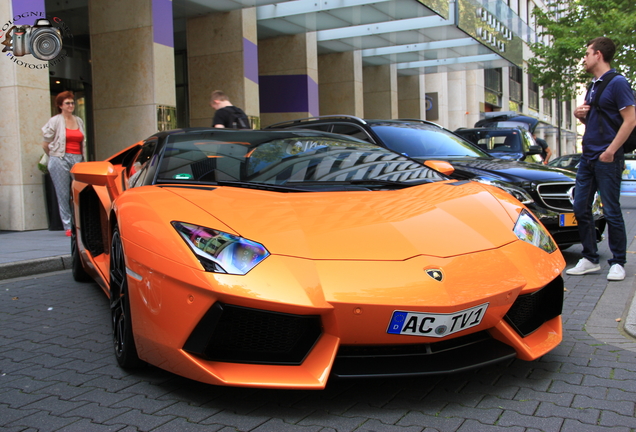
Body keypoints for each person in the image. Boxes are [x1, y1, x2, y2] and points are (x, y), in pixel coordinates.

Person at [567, 37, 636, 281]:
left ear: (598, 55)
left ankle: (618, 262)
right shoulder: (593, 85)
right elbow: (598, 121)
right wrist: (579, 115)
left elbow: (630, 120)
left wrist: (610, 151)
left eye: (586, 54)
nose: (583, 59)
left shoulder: (618, 83)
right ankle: (590, 259)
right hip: (588, 156)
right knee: (580, 207)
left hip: (608, 157)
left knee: (611, 210)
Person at [41, 91, 86, 237]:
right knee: (63, 194)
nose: (71, 105)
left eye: (72, 102)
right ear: (60, 105)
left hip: (78, 159)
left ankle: (80, 224)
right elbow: (45, 144)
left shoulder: (79, 120)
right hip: (60, 158)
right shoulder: (55, 120)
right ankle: (68, 225)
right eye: (67, 103)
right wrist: (54, 156)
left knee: (79, 193)